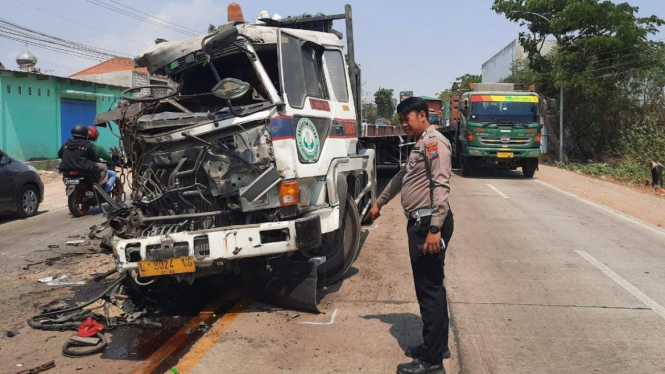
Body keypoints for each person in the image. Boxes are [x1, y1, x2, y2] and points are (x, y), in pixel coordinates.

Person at [365, 97, 454, 374]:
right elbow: (402, 177)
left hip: (428, 224)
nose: (404, 124)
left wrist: (434, 229)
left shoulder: (434, 143)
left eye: (408, 118)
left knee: (429, 291)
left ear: (423, 116)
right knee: (432, 288)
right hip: (423, 222)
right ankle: (435, 346)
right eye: (401, 119)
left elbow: (441, 185)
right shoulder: (419, 144)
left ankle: (431, 363)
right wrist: (379, 202)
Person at [86, 126, 116, 193]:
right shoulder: (97, 147)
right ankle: (105, 192)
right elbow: (108, 158)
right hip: (91, 169)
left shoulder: (73, 144)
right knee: (112, 174)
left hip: (76, 168)